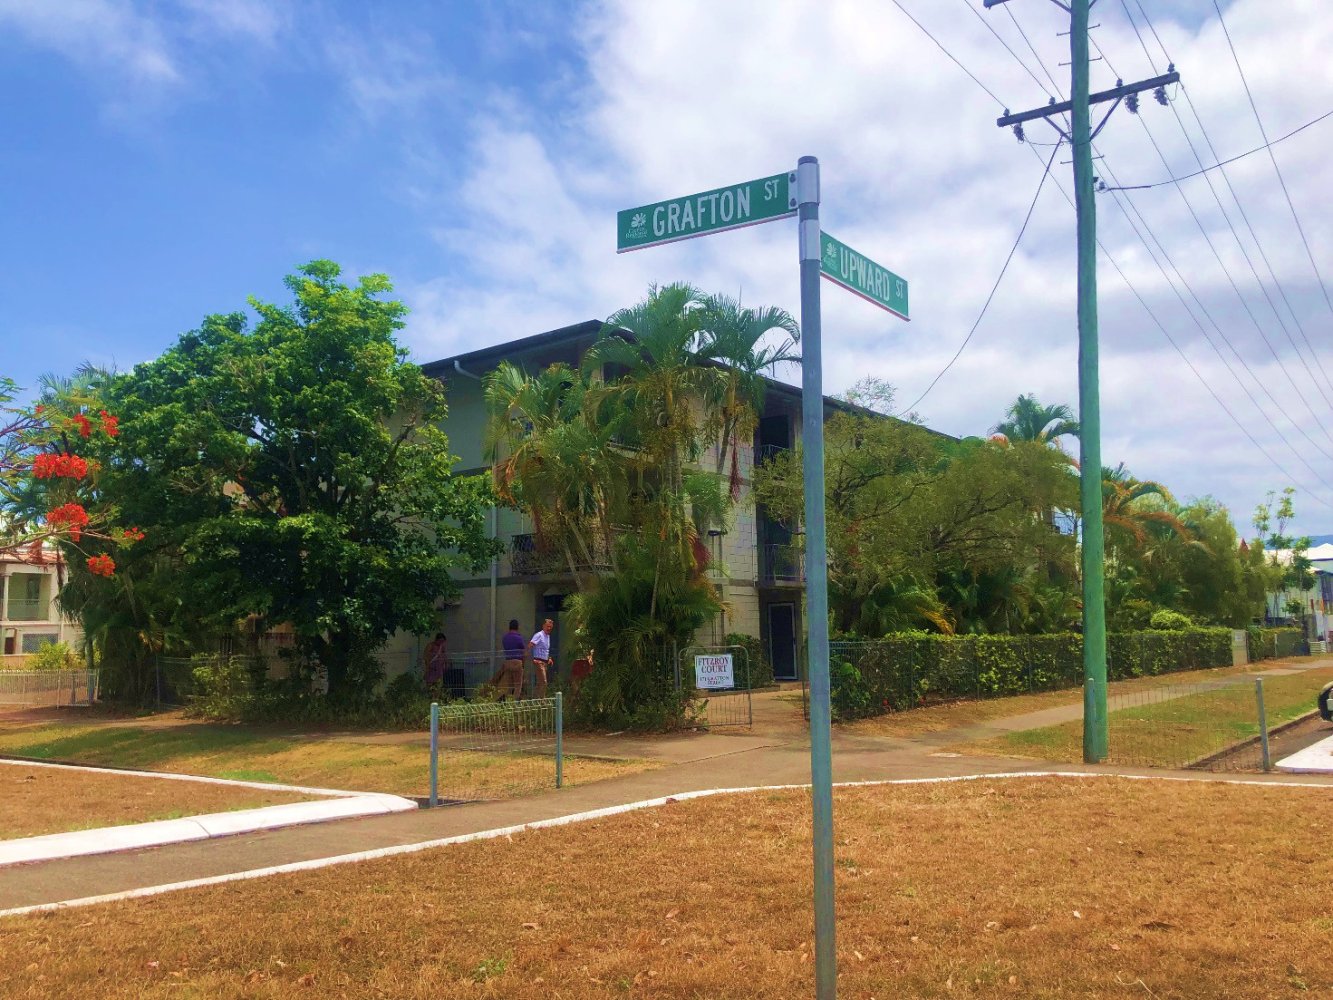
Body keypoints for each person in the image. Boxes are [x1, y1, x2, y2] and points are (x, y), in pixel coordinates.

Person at [498, 619, 526, 699]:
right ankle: (515, 702)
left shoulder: (505, 638)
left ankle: (508, 701)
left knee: (509, 684)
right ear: (517, 627)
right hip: (517, 661)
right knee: (518, 685)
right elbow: (523, 651)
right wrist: (523, 664)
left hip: (508, 662)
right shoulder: (519, 638)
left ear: (509, 627)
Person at [528, 618, 555, 698]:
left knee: (540, 683)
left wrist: (549, 658)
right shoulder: (539, 635)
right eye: (547, 626)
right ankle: (542, 700)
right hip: (538, 662)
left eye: (550, 627)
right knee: (544, 682)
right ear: (543, 626)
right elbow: (530, 645)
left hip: (545, 662)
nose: (549, 628)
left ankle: (535, 699)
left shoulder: (548, 636)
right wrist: (532, 658)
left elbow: (545, 649)